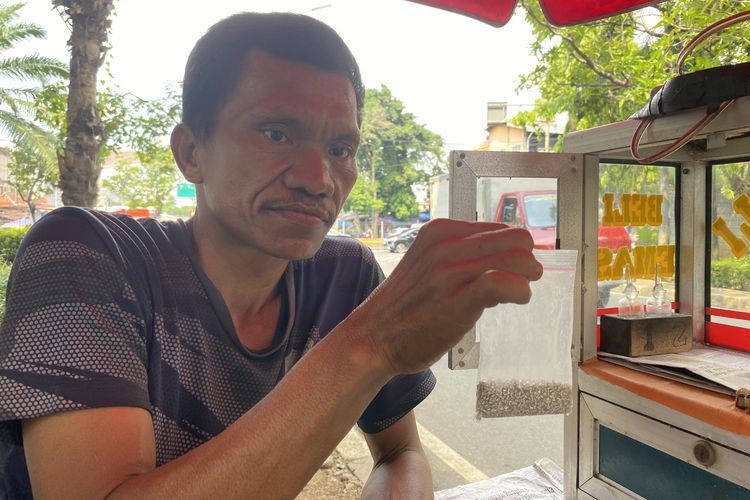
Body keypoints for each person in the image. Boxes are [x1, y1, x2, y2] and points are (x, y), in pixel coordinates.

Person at [0, 12, 542, 500]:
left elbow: (401, 453)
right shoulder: (84, 254)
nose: (318, 180)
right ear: (191, 152)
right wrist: (372, 342)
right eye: (277, 133)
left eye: (340, 149)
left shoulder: (344, 279)